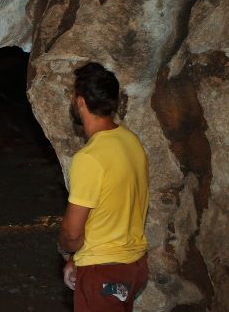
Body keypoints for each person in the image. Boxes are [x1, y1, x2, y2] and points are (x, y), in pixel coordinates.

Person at [58, 62, 149, 311]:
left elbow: (73, 234)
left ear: (81, 102)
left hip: (104, 274)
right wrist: (77, 260)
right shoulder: (131, 142)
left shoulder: (89, 158)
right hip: (133, 267)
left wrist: (66, 252)